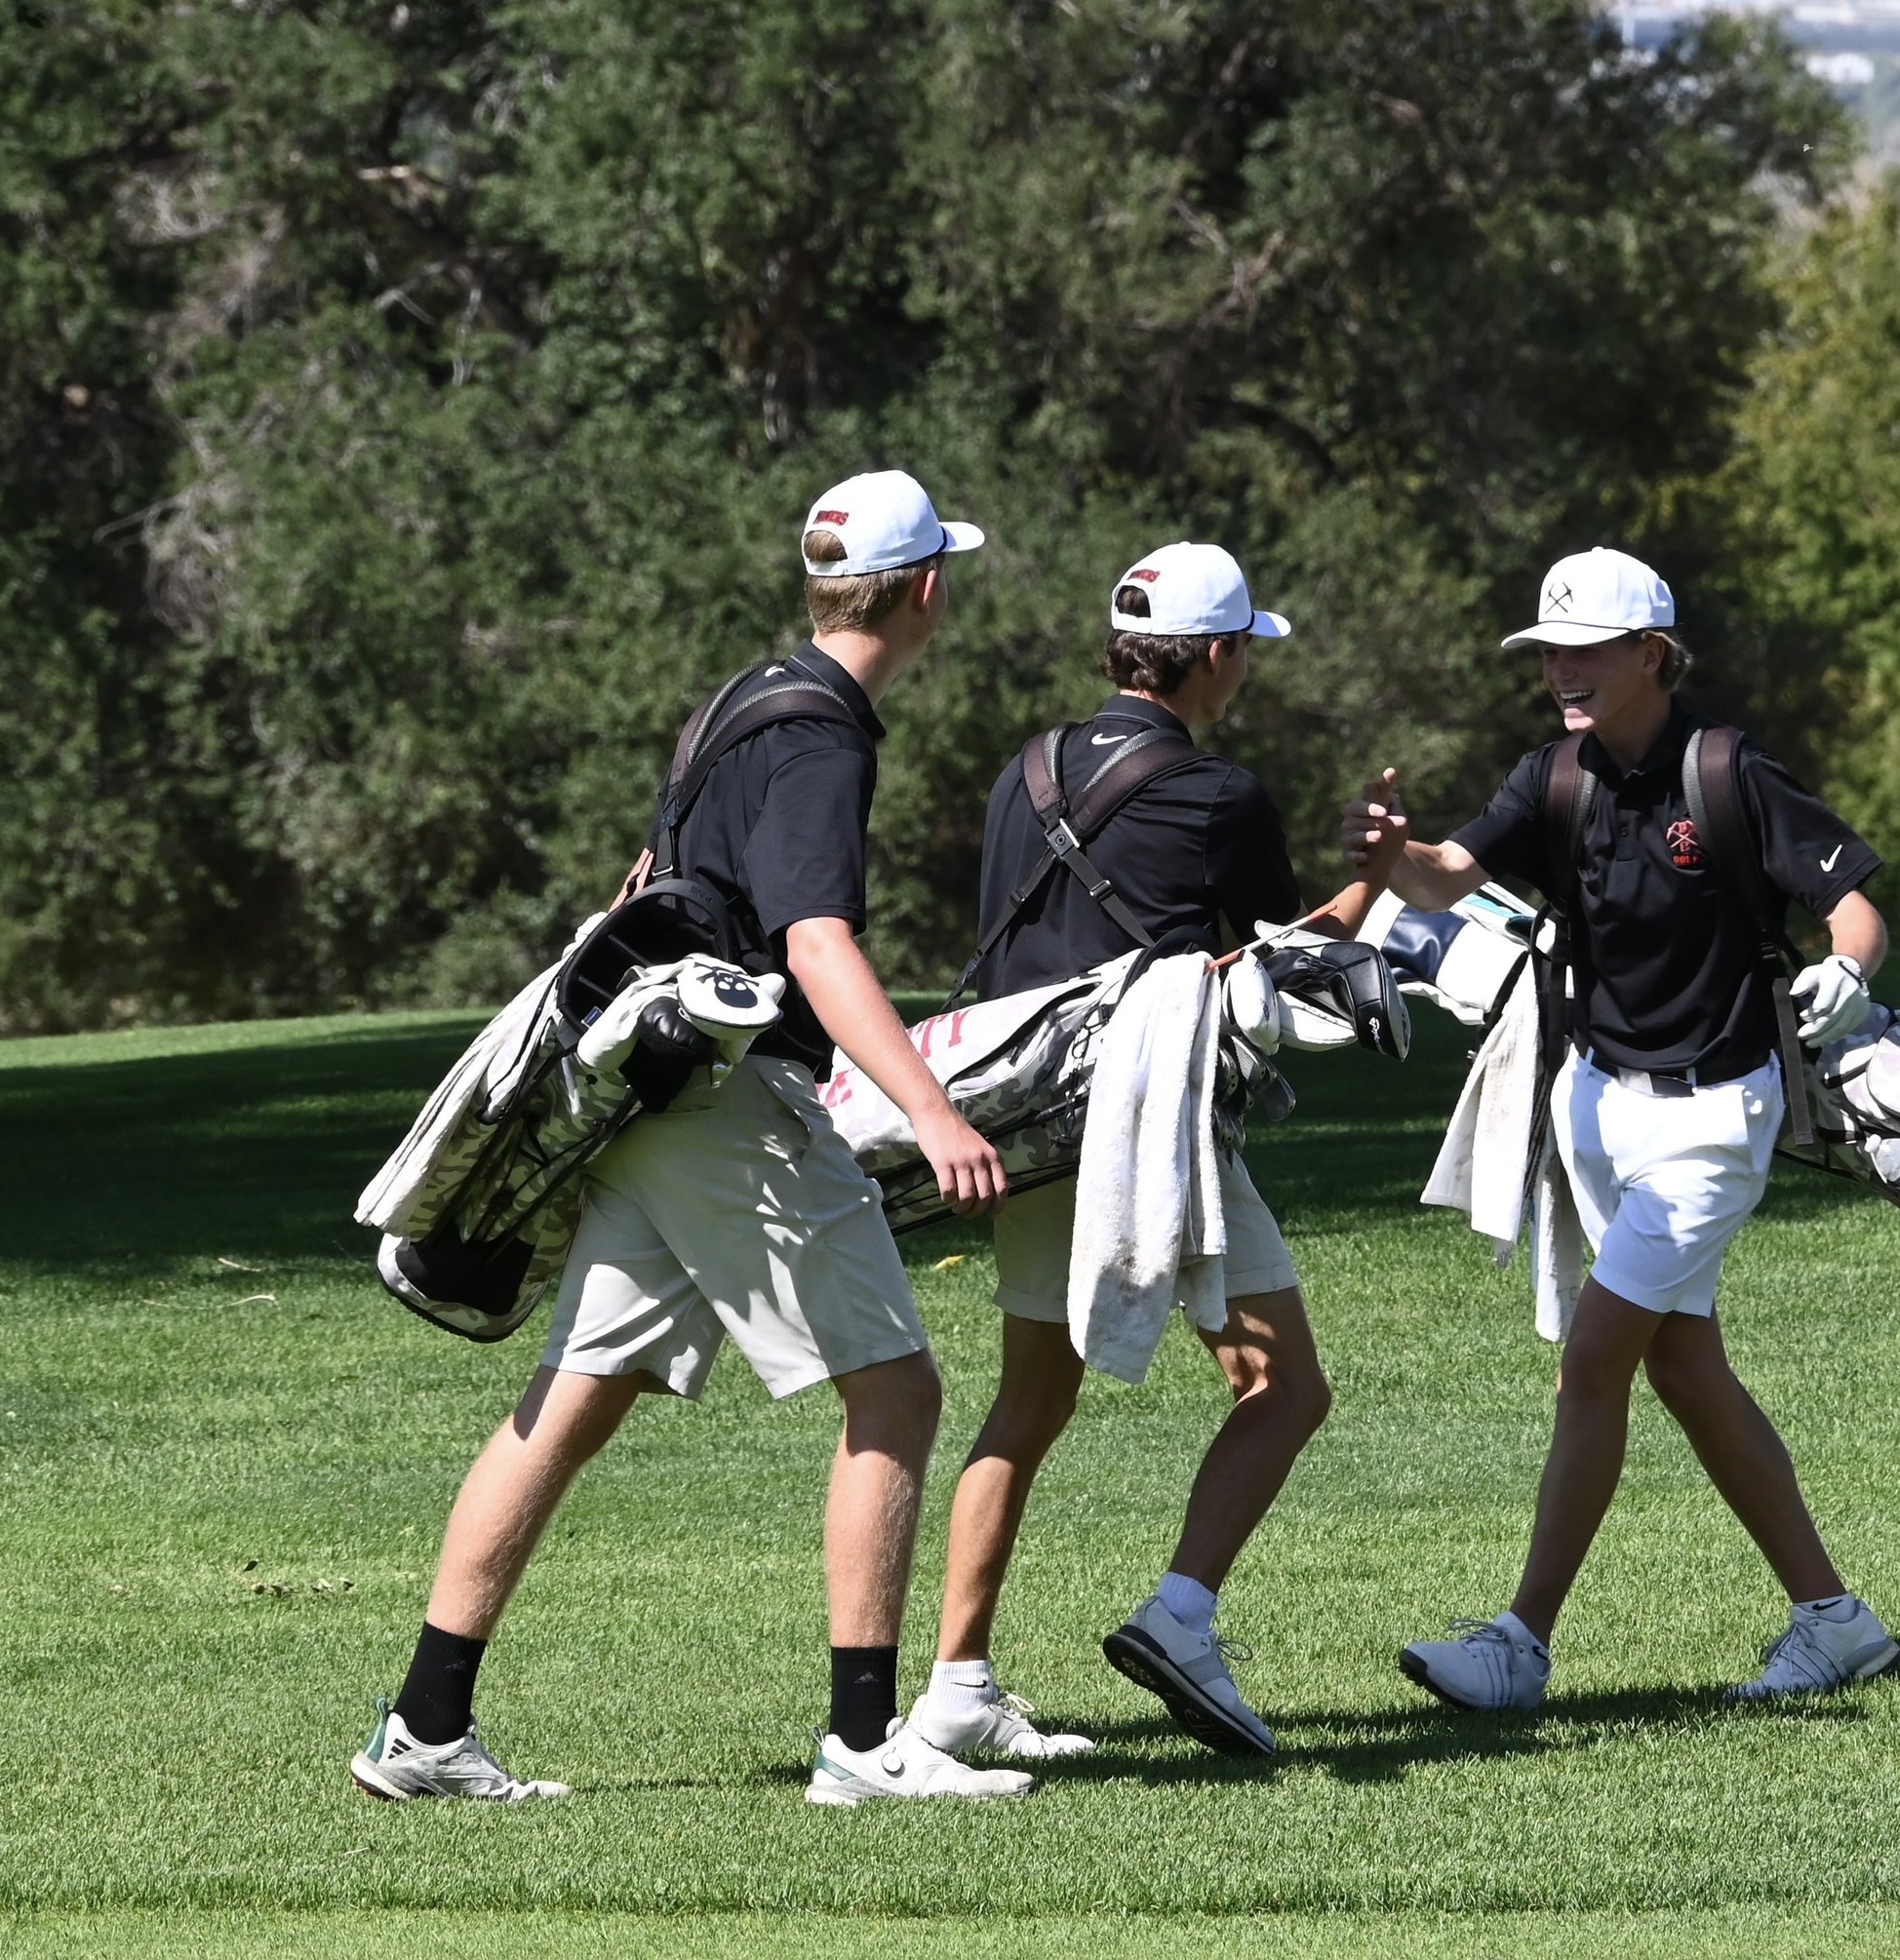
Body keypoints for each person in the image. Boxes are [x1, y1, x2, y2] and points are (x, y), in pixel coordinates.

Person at [350, 470, 1033, 1807]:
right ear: (925, 589)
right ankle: (862, 1743)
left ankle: (422, 1730)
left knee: (576, 1394)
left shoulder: (737, 700)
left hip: (651, 1101)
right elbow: (815, 943)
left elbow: (643, 883)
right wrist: (931, 1108)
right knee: (896, 1389)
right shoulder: (825, 735)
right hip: (728, 1099)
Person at [1347, 546, 1900, 1710]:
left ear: (1650, 652)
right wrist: (1395, 856)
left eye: (1583, 650)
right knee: (1685, 1367)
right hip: (1597, 1107)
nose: (1560, 670)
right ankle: (1833, 1617)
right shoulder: (1551, 775)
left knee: (1593, 1362)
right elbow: (1446, 878)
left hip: (1713, 1121)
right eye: (1548, 652)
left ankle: (1519, 1645)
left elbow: (1852, 906)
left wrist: (1848, 970)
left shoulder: (1729, 770)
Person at [908, 541, 1361, 1763]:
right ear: (1212, 653)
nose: (1245, 671)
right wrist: (1370, 880)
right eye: (1243, 651)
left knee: (1028, 1402)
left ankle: (956, 1686)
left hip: (1031, 1123)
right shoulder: (1219, 793)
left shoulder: (1026, 768)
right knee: (1283, 1387)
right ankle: (1180, 1617)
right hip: (1153, 1131)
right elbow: (1281, 963)